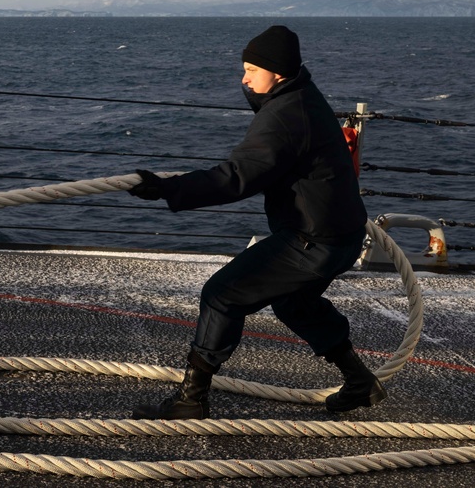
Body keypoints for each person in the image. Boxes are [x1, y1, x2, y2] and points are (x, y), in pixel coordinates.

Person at [127, 24, 386, 418]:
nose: (243, 77)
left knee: (223, 294)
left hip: (312, 240)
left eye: (251, 69)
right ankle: (360, 382)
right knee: (294, 303)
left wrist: (167, 188)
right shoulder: (302, 96)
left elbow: (236, 177)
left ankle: (191, 400)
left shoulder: (285, 114)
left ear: (277, 72)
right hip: (341, 236)